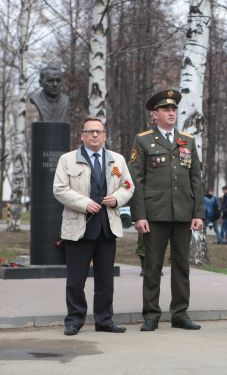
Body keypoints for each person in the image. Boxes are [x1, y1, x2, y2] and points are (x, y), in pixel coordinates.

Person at [128, 88, 204, 332]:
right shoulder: (143, 140)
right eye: (165, 109)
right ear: (155, 114)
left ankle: (180, 313)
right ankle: (151, 314)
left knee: (182, 266)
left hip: (183, 212)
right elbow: (135, 180)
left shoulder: (187, 141)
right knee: (152, 266)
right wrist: (139, 215)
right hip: (155, 213)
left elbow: (196, 179)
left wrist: (198, 213)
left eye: (173, 109)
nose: (171, 113)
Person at [53, 117, 134, 336]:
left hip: (107, 228)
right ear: (82, 135)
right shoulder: (67, 160)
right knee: (76, 279)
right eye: (90, 132)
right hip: (79, 228)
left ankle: (105, 320)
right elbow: (59, 189)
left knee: (106, 279)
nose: (95, 135)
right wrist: (84, 203)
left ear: (105, 135)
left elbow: (128, 185)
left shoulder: (117, 160)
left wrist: (117, 198)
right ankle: (74, 320)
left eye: (99, 131)